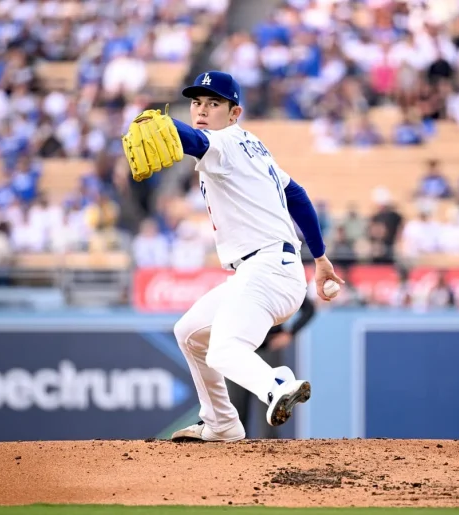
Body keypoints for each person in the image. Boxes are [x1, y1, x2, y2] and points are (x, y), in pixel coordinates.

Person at [125, 71, 344, 442]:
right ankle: (221, 423)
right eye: (196, 102)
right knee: (190, 333)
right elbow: (298, 196)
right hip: (267, 270)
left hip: (267, 270)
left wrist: (163, 122)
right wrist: (320, 258)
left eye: (214, 103)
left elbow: (194, 138)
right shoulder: (254, 145)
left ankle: (276, 384)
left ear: (234, 112)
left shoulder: (222, 142)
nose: (202, 110)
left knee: (225, 350)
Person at [226, 294, 316, 439]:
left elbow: (309, 308)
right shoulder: (237, 284)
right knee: (236, 410)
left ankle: (270, 457)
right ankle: (235, 458)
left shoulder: (274, 280)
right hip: (239, 350)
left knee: (272, 408)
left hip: (268, 348)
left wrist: (291, 333)